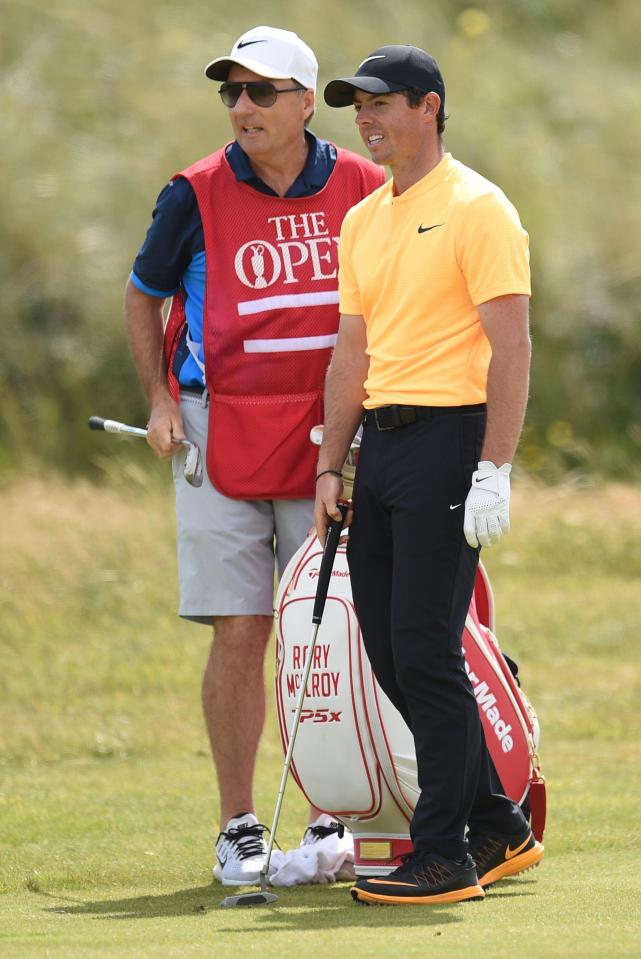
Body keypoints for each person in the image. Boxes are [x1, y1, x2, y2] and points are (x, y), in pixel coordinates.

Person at [124, 26, 384, 887]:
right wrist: (161, 402)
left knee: (328, 631)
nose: (243, 107)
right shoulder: (193, 191)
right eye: (232, 92)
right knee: (242, 628)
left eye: (261, 91)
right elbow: (144, 295)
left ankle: (330, 812)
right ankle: (239, 826)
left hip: (331, 435)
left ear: (306, 101)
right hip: (215, 430)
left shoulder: (362, 185)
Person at [315, 45, 544, 905]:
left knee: (425, 648)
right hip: (380, 447)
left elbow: (512, 344)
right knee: (388, 650)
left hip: (452, 444)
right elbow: (352, 350)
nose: (366, 121)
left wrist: (495, 465)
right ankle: (496, 823)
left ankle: (443, 851)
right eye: (357, 108)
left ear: (429, 106)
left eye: (381, 104)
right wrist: (329, 463)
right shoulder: (365, 219)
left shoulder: (478, 207)